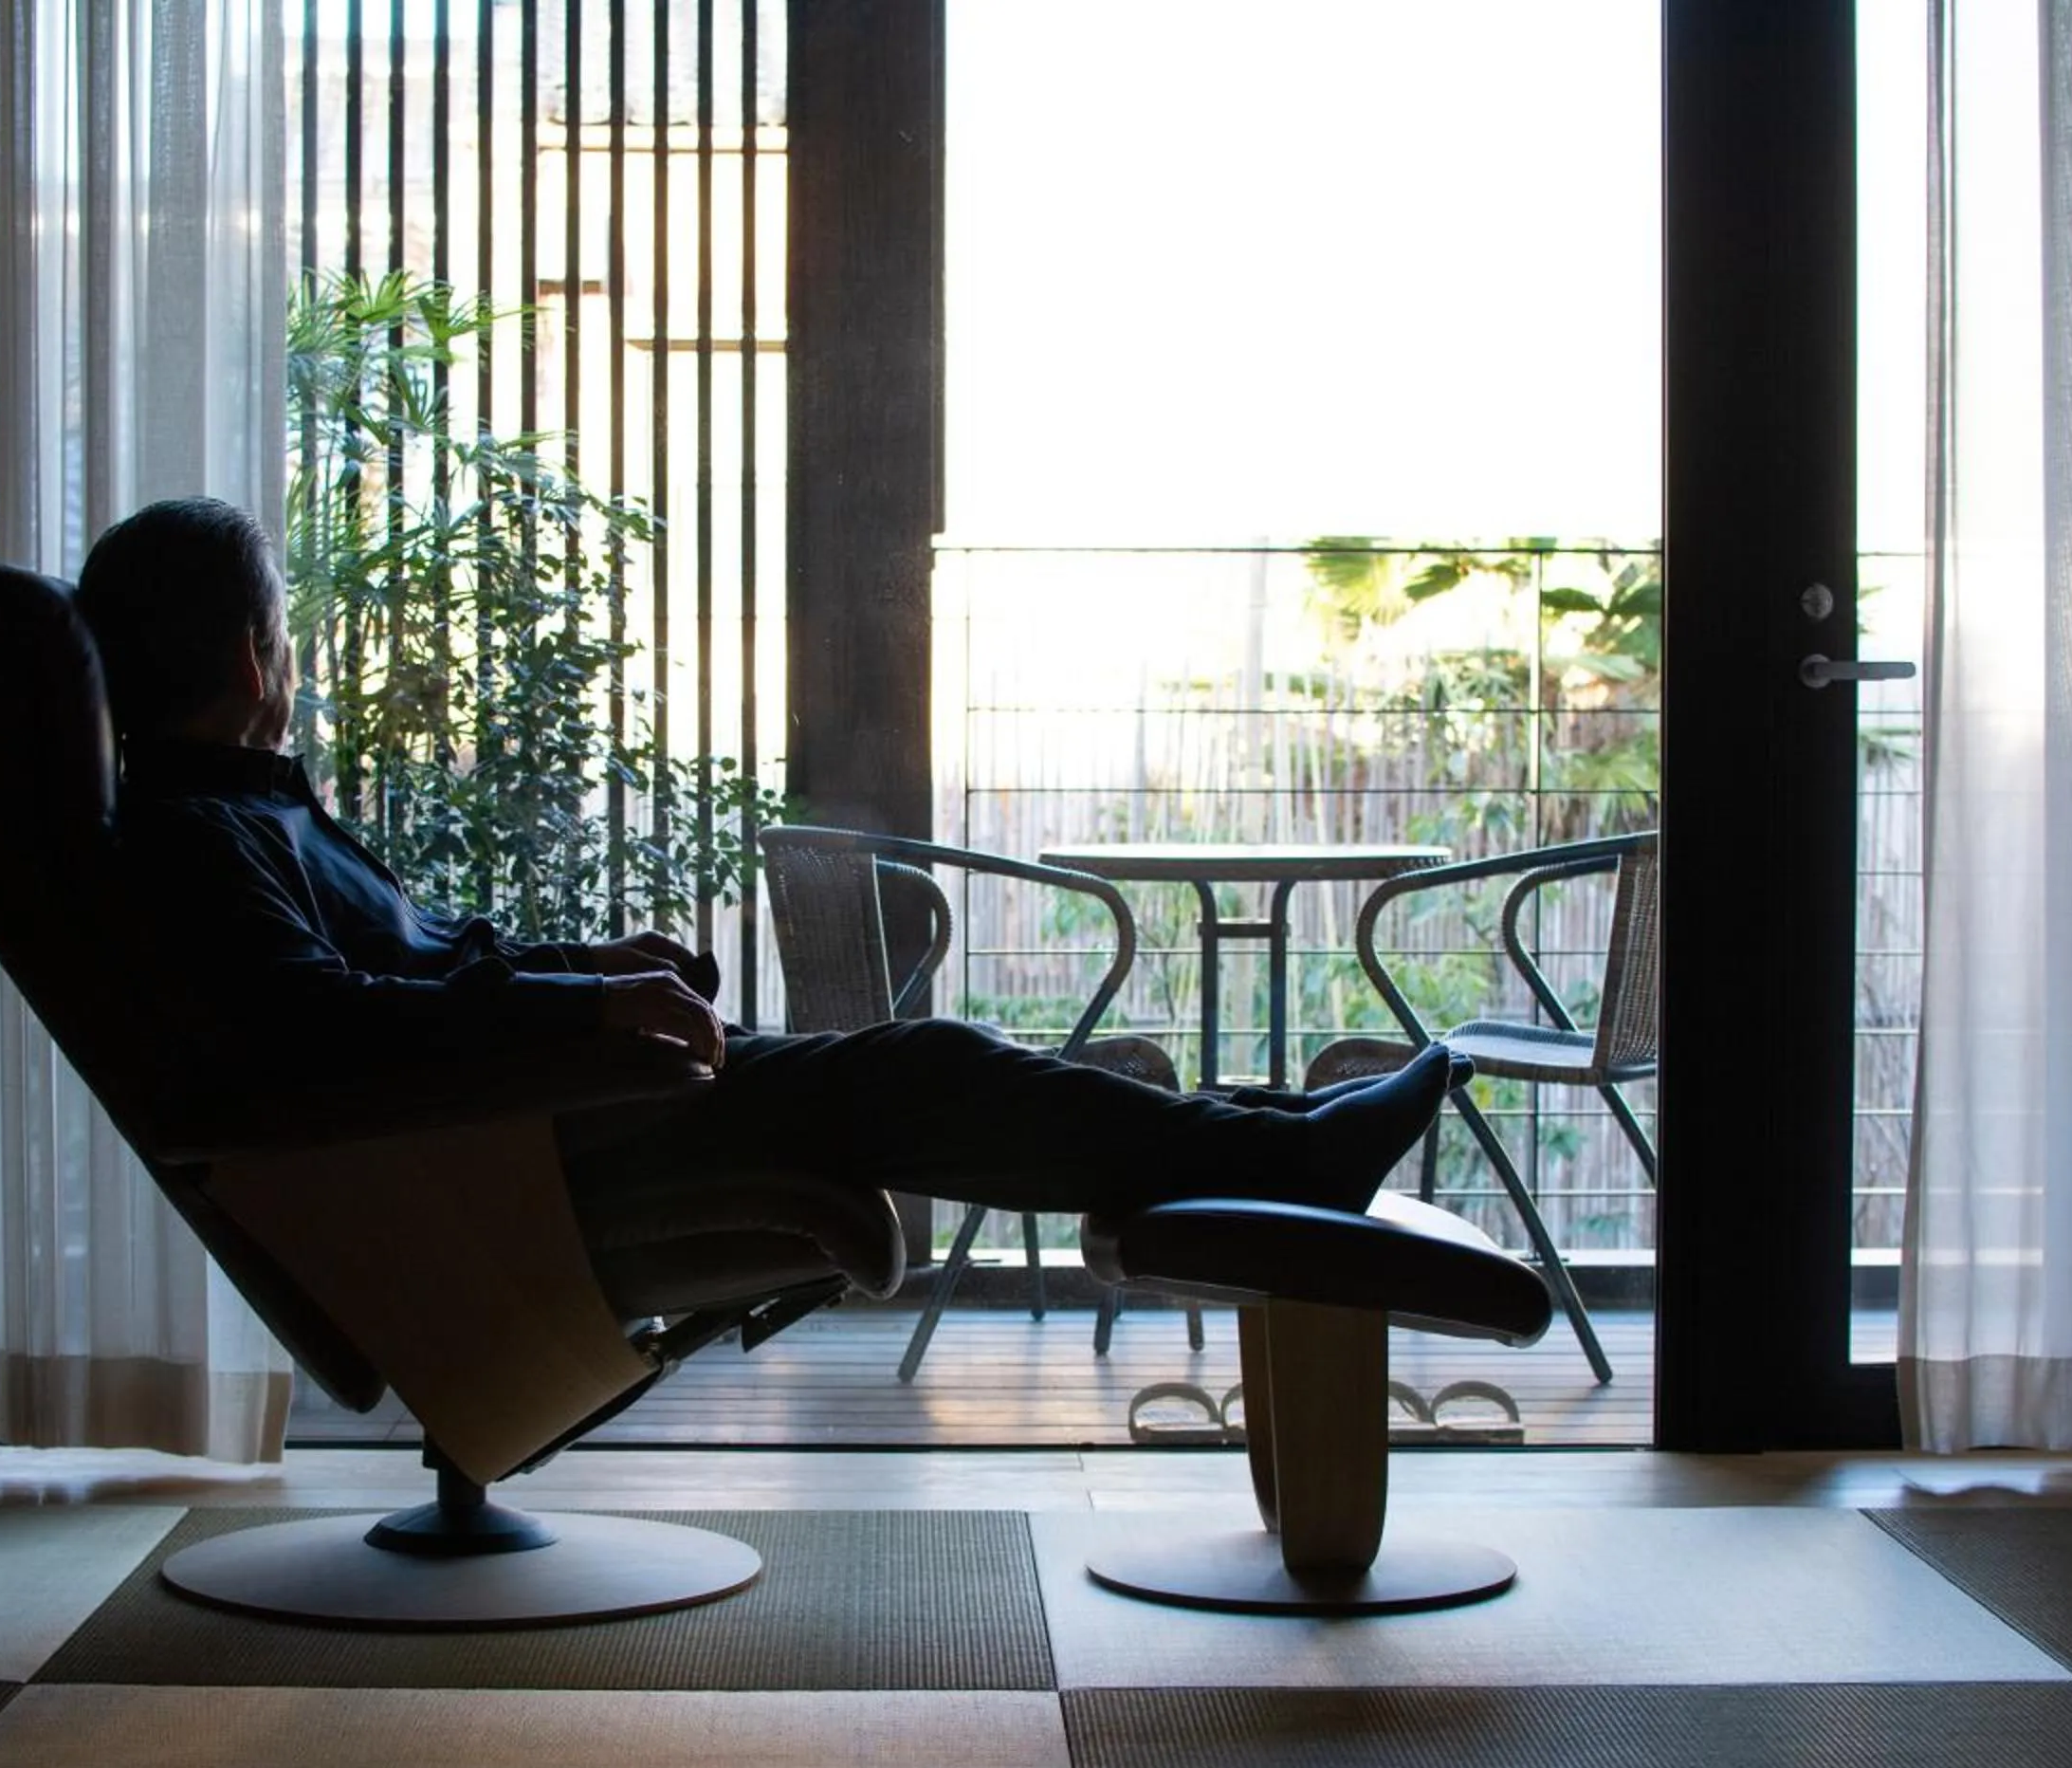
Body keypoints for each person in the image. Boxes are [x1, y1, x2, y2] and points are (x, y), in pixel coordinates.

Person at [81, 496, 1465, 1235]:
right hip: (501, 1154)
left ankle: (1283, 1142)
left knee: (920, 1074)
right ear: (259, 657)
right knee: (921, 1069)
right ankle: (1295, 1161)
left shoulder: (229, 818)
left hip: (528, 1109)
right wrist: (586, 1012)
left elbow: (412, 976)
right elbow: (323, 1027)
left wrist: (596, 973)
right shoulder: (203, 836)